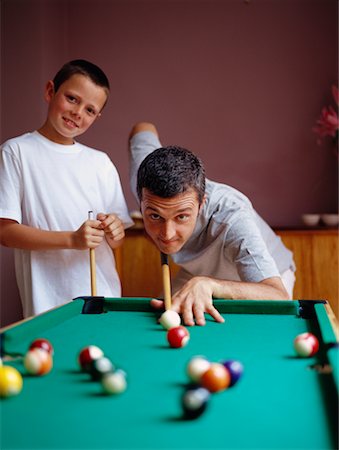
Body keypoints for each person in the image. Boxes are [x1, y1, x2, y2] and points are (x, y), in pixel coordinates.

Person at [0, 59, 133, 317]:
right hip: (48, 303)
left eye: (90, 110)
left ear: (97, 117)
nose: (78, 112)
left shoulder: (100, 162)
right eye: (72, 99)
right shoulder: (16, 152)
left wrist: (115, 231)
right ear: (51, 91)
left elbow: (116, 242)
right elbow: (5, 232)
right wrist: (72, 240)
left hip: (103, 297)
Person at [129, 122, 296, 326]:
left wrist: (209, 284)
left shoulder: (232, 218)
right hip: (198, 273)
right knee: (161, 318)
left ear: (201, 205)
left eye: (181, 216)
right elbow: (142, 128)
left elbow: (278, 295)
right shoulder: (147, 181)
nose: (167, 233)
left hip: (267, 278)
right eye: (155, 216)